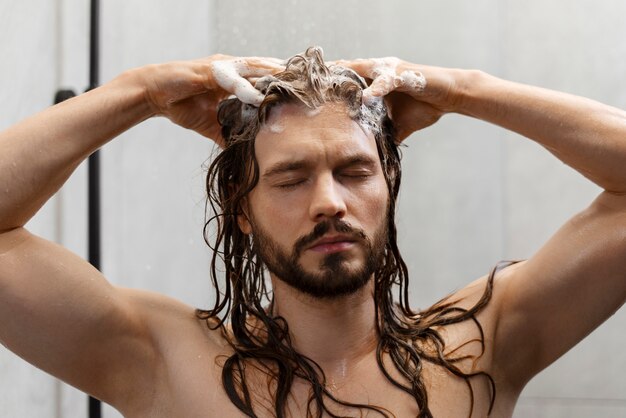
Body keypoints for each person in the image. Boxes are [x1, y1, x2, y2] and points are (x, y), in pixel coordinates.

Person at [0, 46, 624, 418]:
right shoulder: (163, 363)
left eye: (354, 170)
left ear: (389, 187)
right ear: (241, 212)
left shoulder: (482, 344)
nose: (329, 201)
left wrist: (465, 89)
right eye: (290, 178)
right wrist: (138, 91)